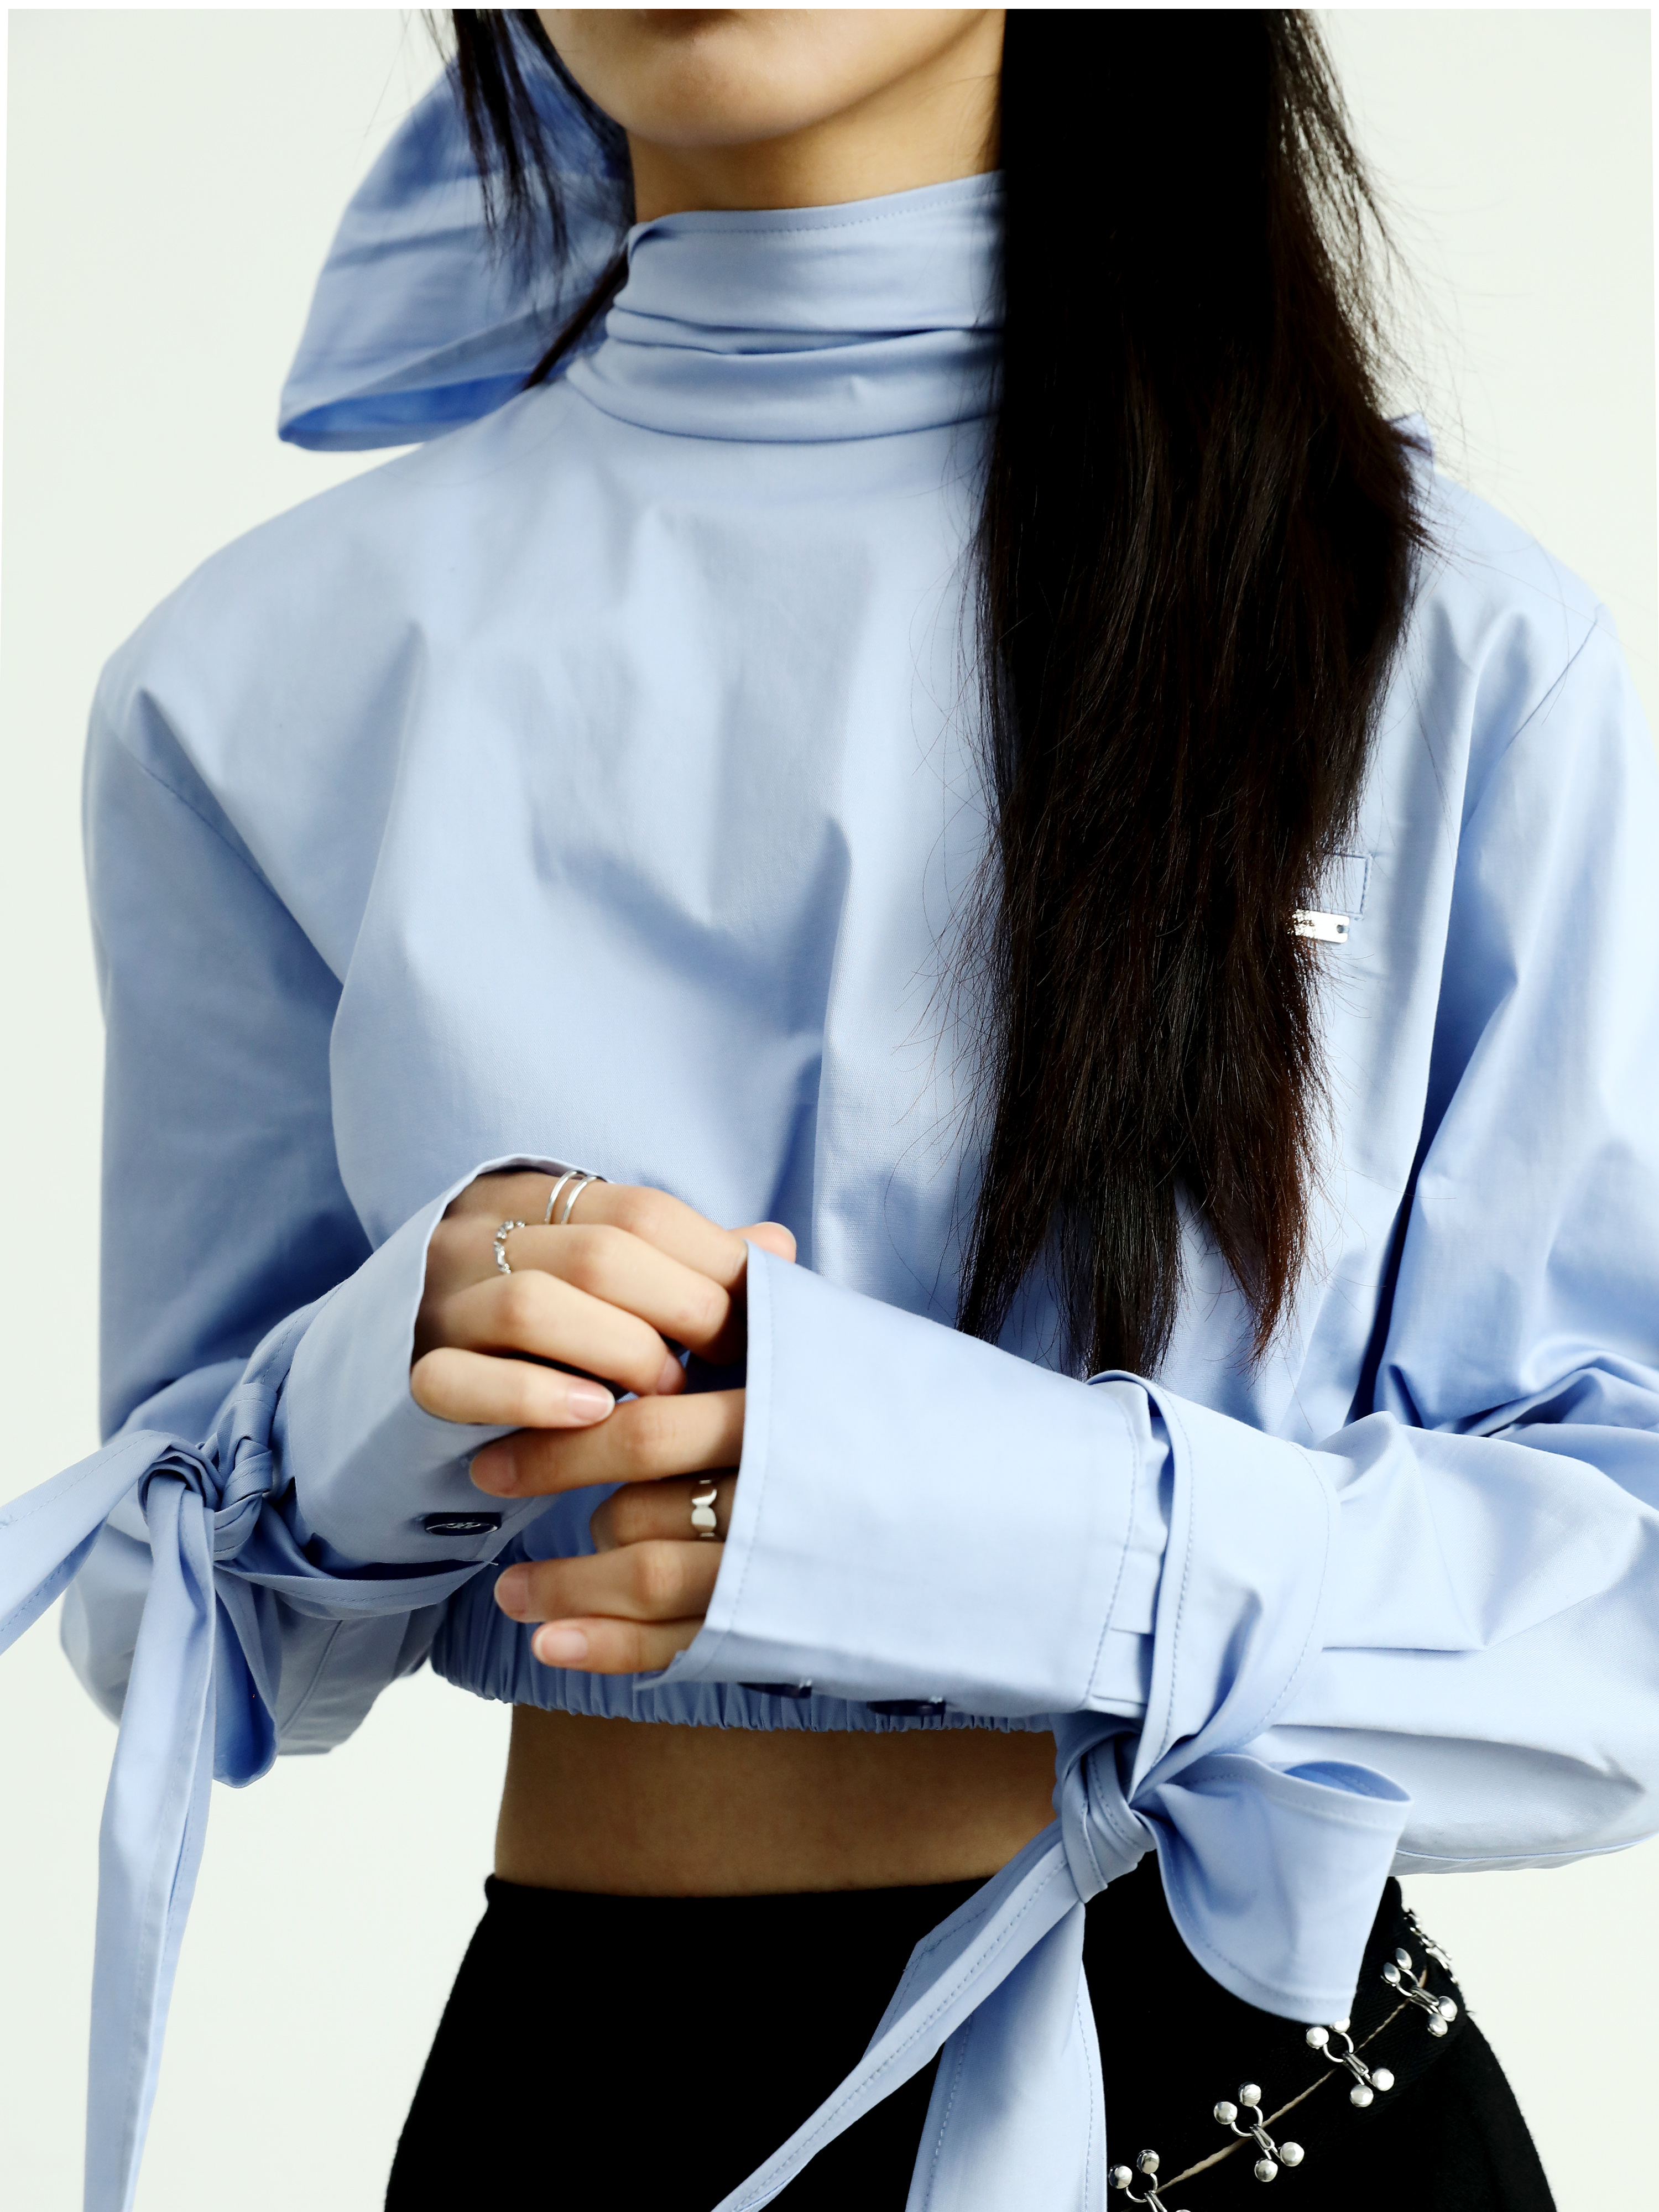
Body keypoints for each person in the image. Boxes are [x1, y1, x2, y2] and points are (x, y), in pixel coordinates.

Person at [3, 9, 1656, 2208]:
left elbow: (1626, 1611)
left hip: (1251, 2122)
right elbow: (165, 1630)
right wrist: (380, 1377)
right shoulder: (254, 679)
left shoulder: (1438, 640)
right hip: (577, 2111)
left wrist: (1020, 1528)